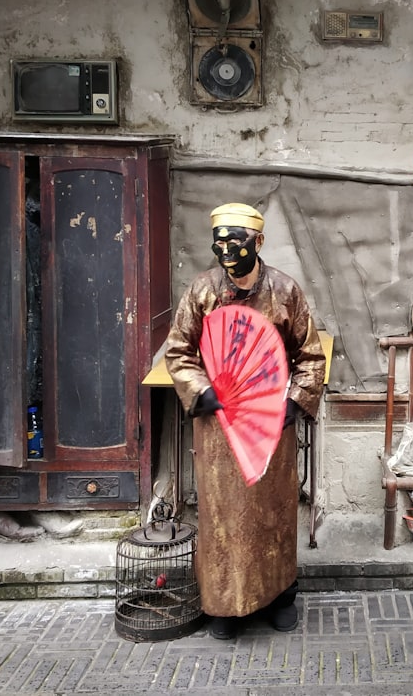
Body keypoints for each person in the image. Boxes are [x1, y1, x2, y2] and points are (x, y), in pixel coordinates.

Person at [166, 202, 326, 641]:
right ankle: (223, 603)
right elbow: (178, 352)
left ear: (258, 241)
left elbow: (309, 355)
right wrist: (201, 390)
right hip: (218, 426)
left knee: (273, 511)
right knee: (222, 516)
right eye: (219, 242)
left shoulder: (285, 290)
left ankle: (279, 595)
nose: (226, 250)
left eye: (236, 241)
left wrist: (296, 402)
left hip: (271, 422)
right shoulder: (201, 290)